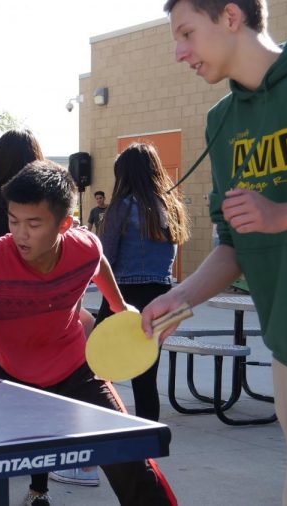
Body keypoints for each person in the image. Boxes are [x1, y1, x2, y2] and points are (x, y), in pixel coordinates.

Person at [144, 2, 287, 505]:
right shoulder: (222, 121)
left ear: (229, 16)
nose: (180, 53)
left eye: (186, 34)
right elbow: (235, 245)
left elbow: (268, 218)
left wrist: (283, 215)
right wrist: (178, 299)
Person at [0, 162, 177, 506]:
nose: (20, 233)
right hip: (7, 375)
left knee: (130, 456)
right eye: (14, 221)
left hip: (75, 370)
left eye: (33, 223)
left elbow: (99, 261)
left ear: (64, 224)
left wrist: (119, 305)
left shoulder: (83, 246)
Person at [95, 142, 190, 423]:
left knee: (99, 370)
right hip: (161, 294)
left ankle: (100, 430)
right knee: (145, 375)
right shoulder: (171, 206)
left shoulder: (120, 208)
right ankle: (149, 439)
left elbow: (105, 257)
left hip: (123, 294)